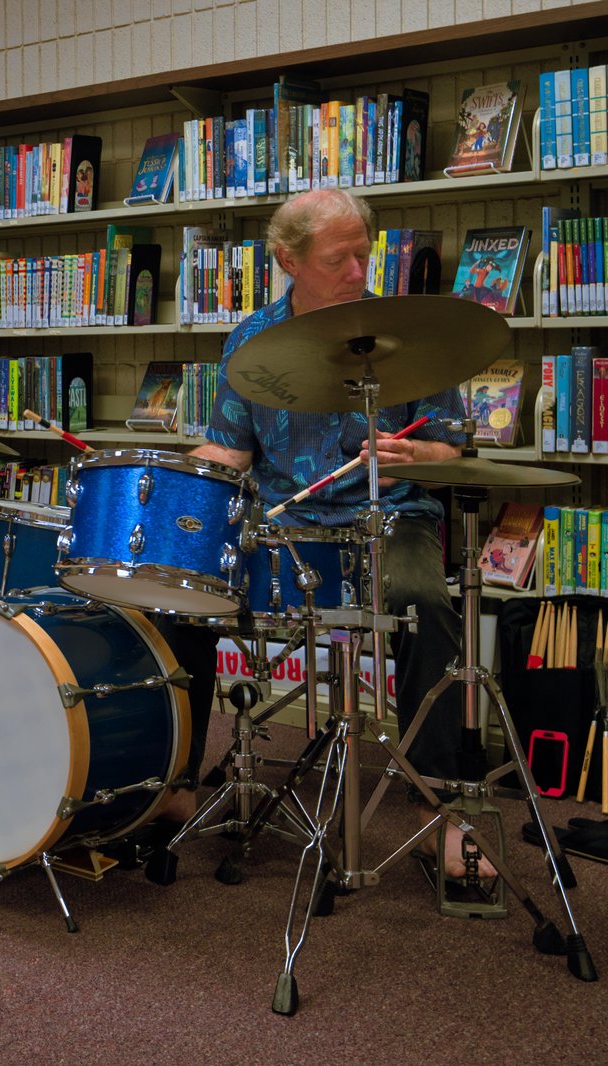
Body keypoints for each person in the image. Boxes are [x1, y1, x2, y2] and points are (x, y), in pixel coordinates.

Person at [173, 187, 488, 879]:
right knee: (179, 593)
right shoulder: (251, 341)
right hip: (287, 524)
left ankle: (438, 809)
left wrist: (420, 455)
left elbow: (452, 449)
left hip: (392, 515)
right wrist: (163, 482)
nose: (358, 272)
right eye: (341, 259)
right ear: (288, 259)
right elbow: (229, 453)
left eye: (363, 255)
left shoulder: (408, 334)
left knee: (424, 603)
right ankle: (178, 781)